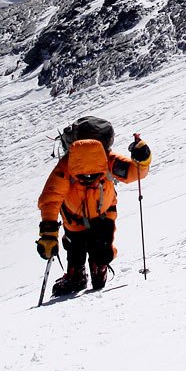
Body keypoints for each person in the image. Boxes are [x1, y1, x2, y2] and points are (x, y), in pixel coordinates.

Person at [36, 116, 152, 296]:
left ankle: (76, 276)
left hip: (73, 220)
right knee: (102, 247)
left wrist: (48, 232)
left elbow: (51, 198)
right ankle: (100, 268)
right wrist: (143, 159)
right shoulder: (108, 160)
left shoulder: (66, 165)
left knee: (75, 250)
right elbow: (135, 173)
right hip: (103, 216)